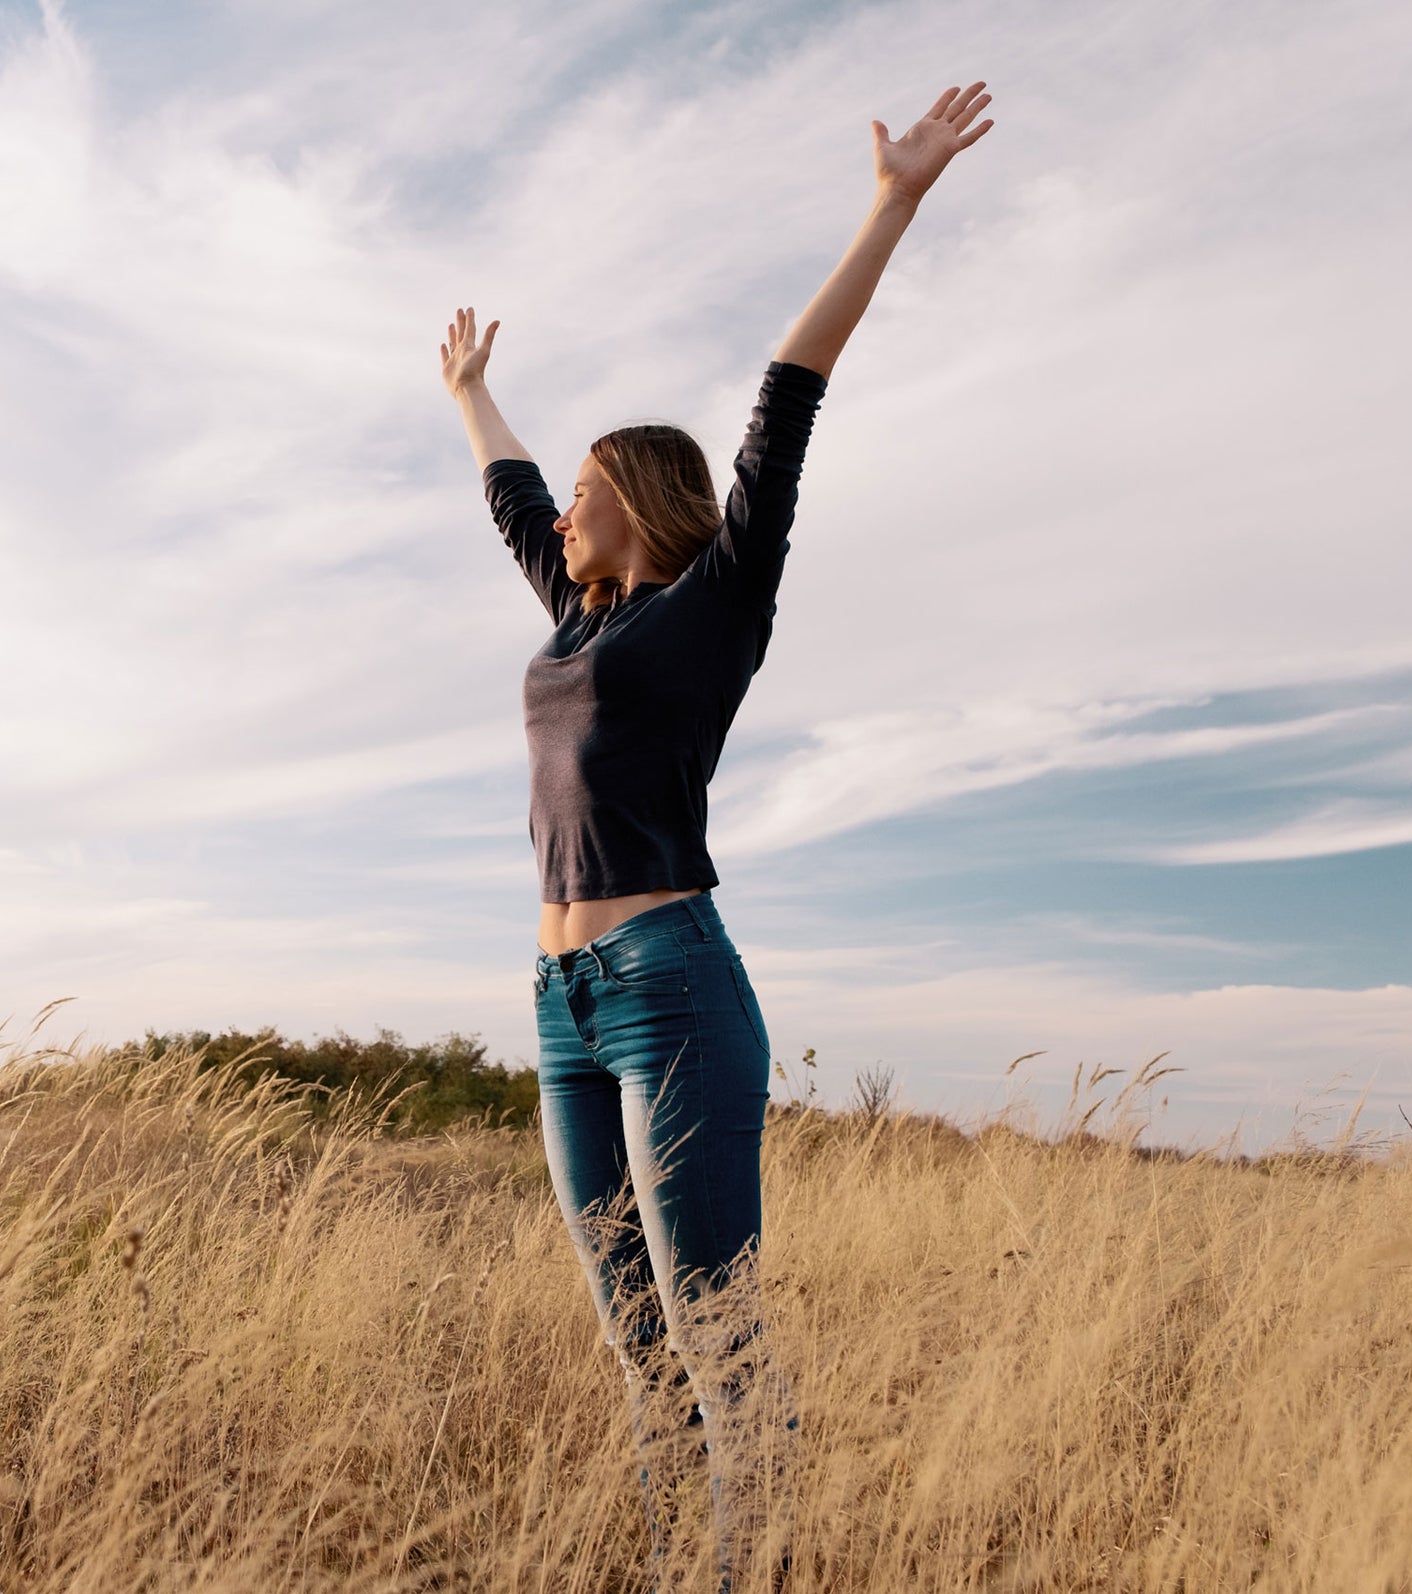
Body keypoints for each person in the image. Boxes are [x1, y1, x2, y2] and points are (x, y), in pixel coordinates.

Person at [439, 82, 994, 1592]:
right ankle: (687, 1563)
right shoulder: (577, 615)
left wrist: (893, 204)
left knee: (713, 1331)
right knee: (637, 1343)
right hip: (561, 1005)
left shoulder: (716, 602)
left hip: (670, 982)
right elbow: (512, 500)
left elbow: (787, 396)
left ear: (639, 498)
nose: (563, 517)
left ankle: (761, 1567)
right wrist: (471, 394)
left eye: (585, 497)